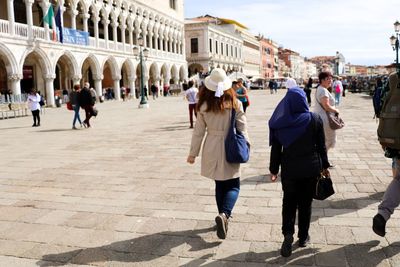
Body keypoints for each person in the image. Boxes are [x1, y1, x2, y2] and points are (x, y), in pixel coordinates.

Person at [187, 68, 250, 240]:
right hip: (230, 145)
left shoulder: (203, 105)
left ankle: (221, 216)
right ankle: (225, 214)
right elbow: (242, 126)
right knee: (234, 184)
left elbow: (198, 131)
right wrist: (247, 142)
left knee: (219, 184)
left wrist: (193, 153)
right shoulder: (234, 102)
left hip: (211, 146)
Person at [269, 88, 330, 257]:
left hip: (289, 170)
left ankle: (288, 234)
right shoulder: (314, 119)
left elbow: (276, 150)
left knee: (288, 203)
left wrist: (274, 170)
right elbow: (321, 146)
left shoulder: (281, 123)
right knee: (305, 204)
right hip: (311, 169)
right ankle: (303, 237)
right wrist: (325, 166)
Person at [313, 71, 340, 154]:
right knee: (329, 140)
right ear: (322, 80)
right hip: (325, 119)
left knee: (324, 140)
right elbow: (326, 106)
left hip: (320, 117)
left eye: (331, 79)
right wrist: (336, 110)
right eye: (328, 79)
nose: (330, 81)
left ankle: (323, 160)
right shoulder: (323, 91)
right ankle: (323, 161)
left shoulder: (319, 89)